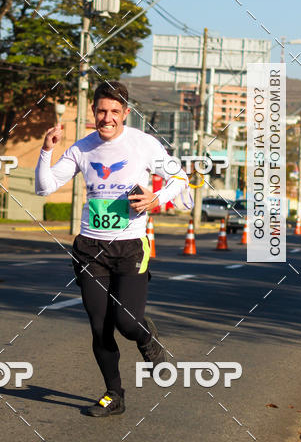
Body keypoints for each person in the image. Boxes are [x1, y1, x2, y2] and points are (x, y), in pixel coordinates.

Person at [35, 80, 193, 417]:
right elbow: (44, 187)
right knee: (99, 325)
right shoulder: (82, 148)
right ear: (93, 111)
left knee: (126, 321)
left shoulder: (143, 144)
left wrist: (155, 199)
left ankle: (146, 336)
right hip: (90, 248)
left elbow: (180, 179)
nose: (107, 118)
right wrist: (46, 150)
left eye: (115, 112)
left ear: (126, 113)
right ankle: (113, 394)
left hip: (131, 247)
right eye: (102, 111)